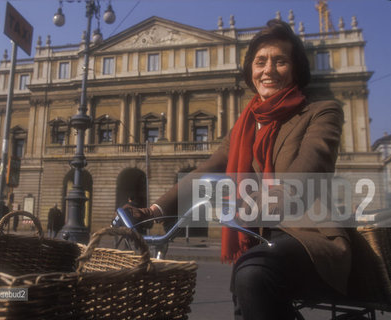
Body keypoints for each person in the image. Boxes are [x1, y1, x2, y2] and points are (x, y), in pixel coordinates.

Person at [129, 20, 350, 319]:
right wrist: (152, 211)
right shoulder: (246, 124)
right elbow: (208, 169)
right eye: (260, 62)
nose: (268, 70)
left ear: (295, 68)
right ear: (250, 70)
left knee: (252, 274)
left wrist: (250, 207)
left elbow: (305, 173)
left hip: (308, 237)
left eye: (280, 61)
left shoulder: (321, 112)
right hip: (258, 238)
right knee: (244, 290)